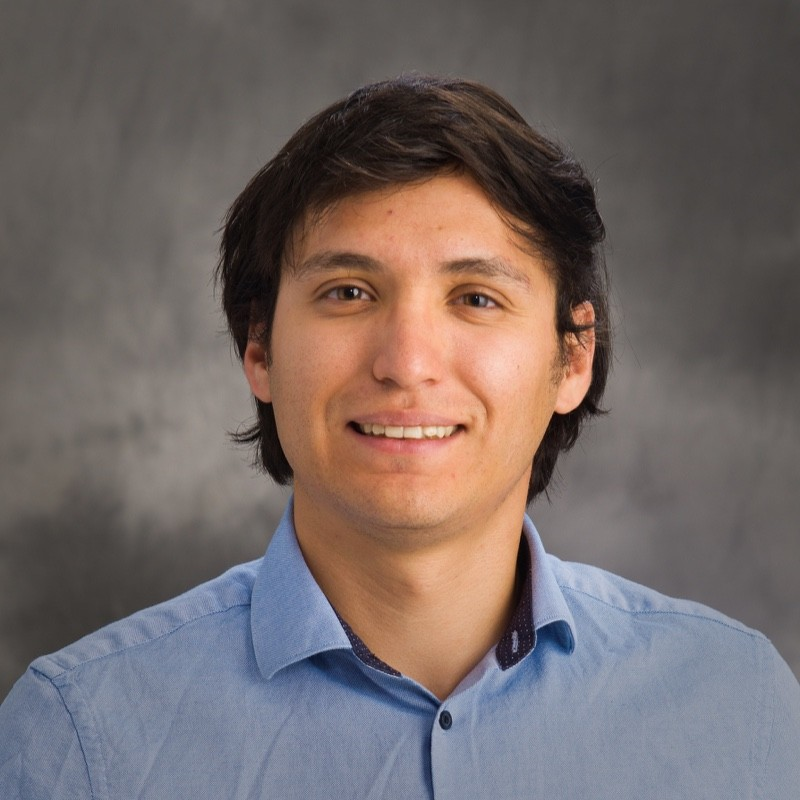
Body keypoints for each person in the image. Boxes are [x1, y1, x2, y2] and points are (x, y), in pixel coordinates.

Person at [1, 74, 797, 798]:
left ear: (573, 357)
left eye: (477, 298)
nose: (407, 363)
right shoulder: (79, 739)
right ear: (259, 350)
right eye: (349, 292)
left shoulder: (740, 708)